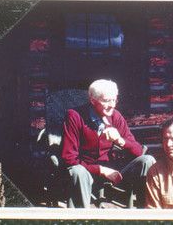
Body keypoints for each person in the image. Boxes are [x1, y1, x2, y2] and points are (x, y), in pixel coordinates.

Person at [62, 79, 155, 208]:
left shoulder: (115, 116)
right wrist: (100, 169)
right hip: (86, 172)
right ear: (92, 100)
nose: (112, 105)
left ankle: (144, 211)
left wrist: (120, 141)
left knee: (147, 160)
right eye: (106, 101)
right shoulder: (75, 116)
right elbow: (69, 159)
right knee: (78, 171)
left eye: (114, 100)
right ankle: (82, 219)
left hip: (113, 171)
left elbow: (139, 151)